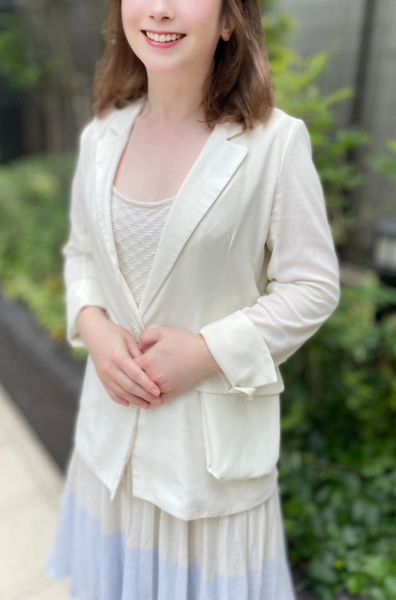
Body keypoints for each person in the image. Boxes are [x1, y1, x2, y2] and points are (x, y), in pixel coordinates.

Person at [44, 0, 340, 598]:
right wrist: (95, 330)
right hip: (110, 454)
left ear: (230, 20)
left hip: (205, 474)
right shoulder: (102, 136)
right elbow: (80, 254)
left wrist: (206, 352)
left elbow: (312, 286)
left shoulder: (275, 142)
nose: (159, 9)